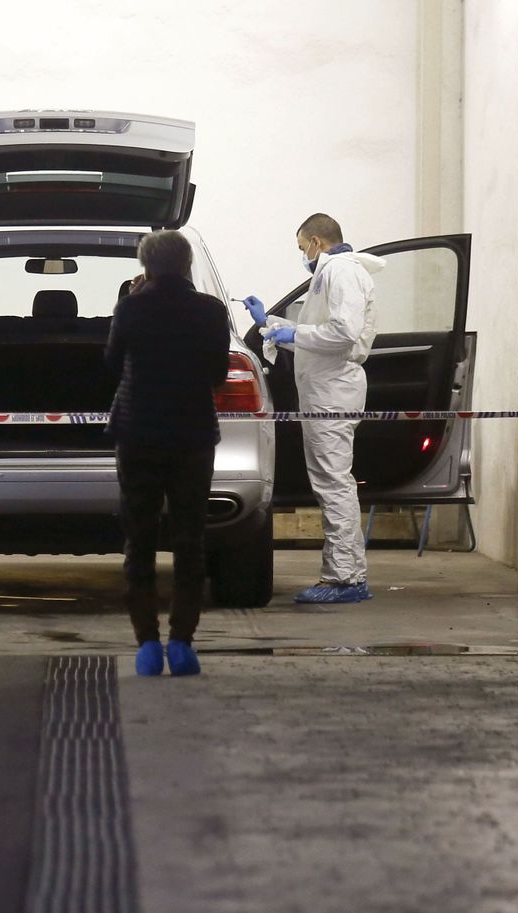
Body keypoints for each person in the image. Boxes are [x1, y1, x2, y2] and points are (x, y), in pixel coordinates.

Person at [106, 230, 230, 677]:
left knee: (139, 541)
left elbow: (111, 362)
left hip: (138, 433)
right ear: (188, 263)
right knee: (189, 540)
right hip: (193, 435)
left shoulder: (132, 307)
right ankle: (182, 643)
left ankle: (145, 645)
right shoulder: (211, 312)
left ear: (146, 265)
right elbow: (218, 373)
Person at [243, 213, 384, 605]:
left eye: (302, 246)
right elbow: (317, 336)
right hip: (325, 390)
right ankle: (346, 574)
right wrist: (270, 324)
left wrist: (293, 332)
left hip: (333, 392)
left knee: (334, 482)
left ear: (316, 242)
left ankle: (345, 579)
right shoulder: (331, 273)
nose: (302, 254)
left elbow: (342, 334)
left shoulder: (340, 272)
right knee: (331, 481)